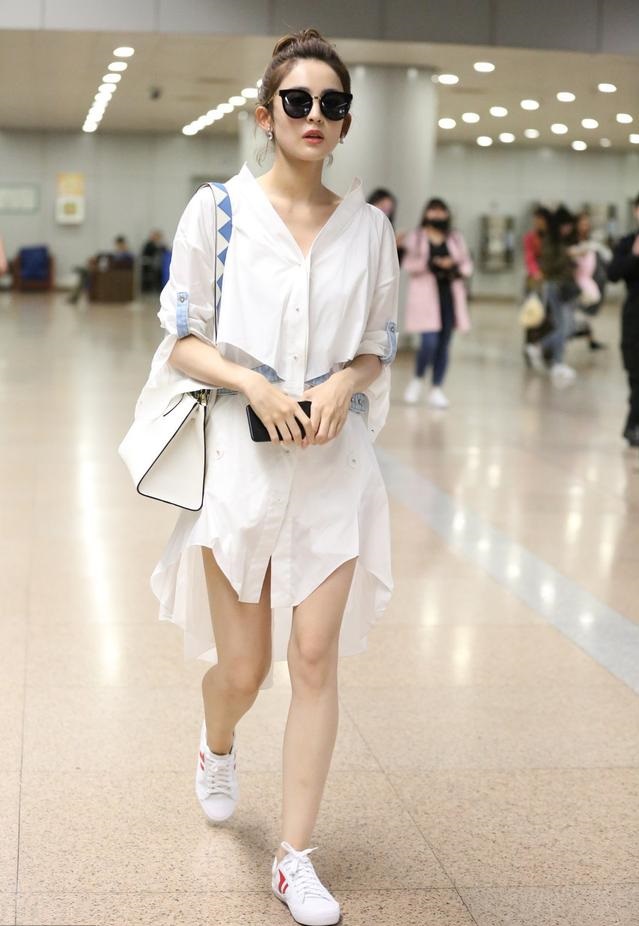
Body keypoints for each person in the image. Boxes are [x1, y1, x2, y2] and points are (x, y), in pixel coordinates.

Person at [131, 28, 399, 926]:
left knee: (313, 659)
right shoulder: (218, 212)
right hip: (240, 467)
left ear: (346, 120)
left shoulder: (370, 229)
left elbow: (378, 345)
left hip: (333, 470)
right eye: (298, 100)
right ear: (264, 114)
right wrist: (252, 382)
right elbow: (182, 339)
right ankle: (217, 743)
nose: (315, 115)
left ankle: (294, 858)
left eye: (332, 103)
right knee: (243, 670)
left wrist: (345, 383)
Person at [401, 197, 473, 407]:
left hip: (449, 297)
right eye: (433, 210)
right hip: (426, 297)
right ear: (426, 213)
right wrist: (431, 263)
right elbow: (409, 264)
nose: (437, 214)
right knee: (429, 342)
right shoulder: (417, 236)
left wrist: (453, 265)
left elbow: (467, 263)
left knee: (444, 345)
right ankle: (417, 379)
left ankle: (436, 388)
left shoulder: (455, 237)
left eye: (441, 210)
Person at [525, 205, 580, 384]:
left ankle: (549, 355)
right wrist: (568, 255)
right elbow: (548, 266)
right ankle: (550, 356)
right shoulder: (551, 240)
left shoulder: (563, 240)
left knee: (567, 327)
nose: (569, 229)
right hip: (556, 287)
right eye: (566, 225)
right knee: (563, 326)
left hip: (565, 286)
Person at [607, 193, 639, 447]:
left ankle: (632, 424)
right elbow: (613, 274)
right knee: (634, 372)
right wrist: (635, 256)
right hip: (634, 315)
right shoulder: (628, 242)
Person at [570, 211, 611, 352]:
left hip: (589, 278)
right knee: (577, 308)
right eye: (582, 224)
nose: (585, 226)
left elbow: (605, 256)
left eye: (587, 224)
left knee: (588, 306)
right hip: (576, 280)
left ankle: (589, 337)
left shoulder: (591, 242)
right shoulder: (572, 242)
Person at [367, 187, 406, 261]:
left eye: (389, 210)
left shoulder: (388, 230)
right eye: (383, 206)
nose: (385, 213)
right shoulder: (363, 226)